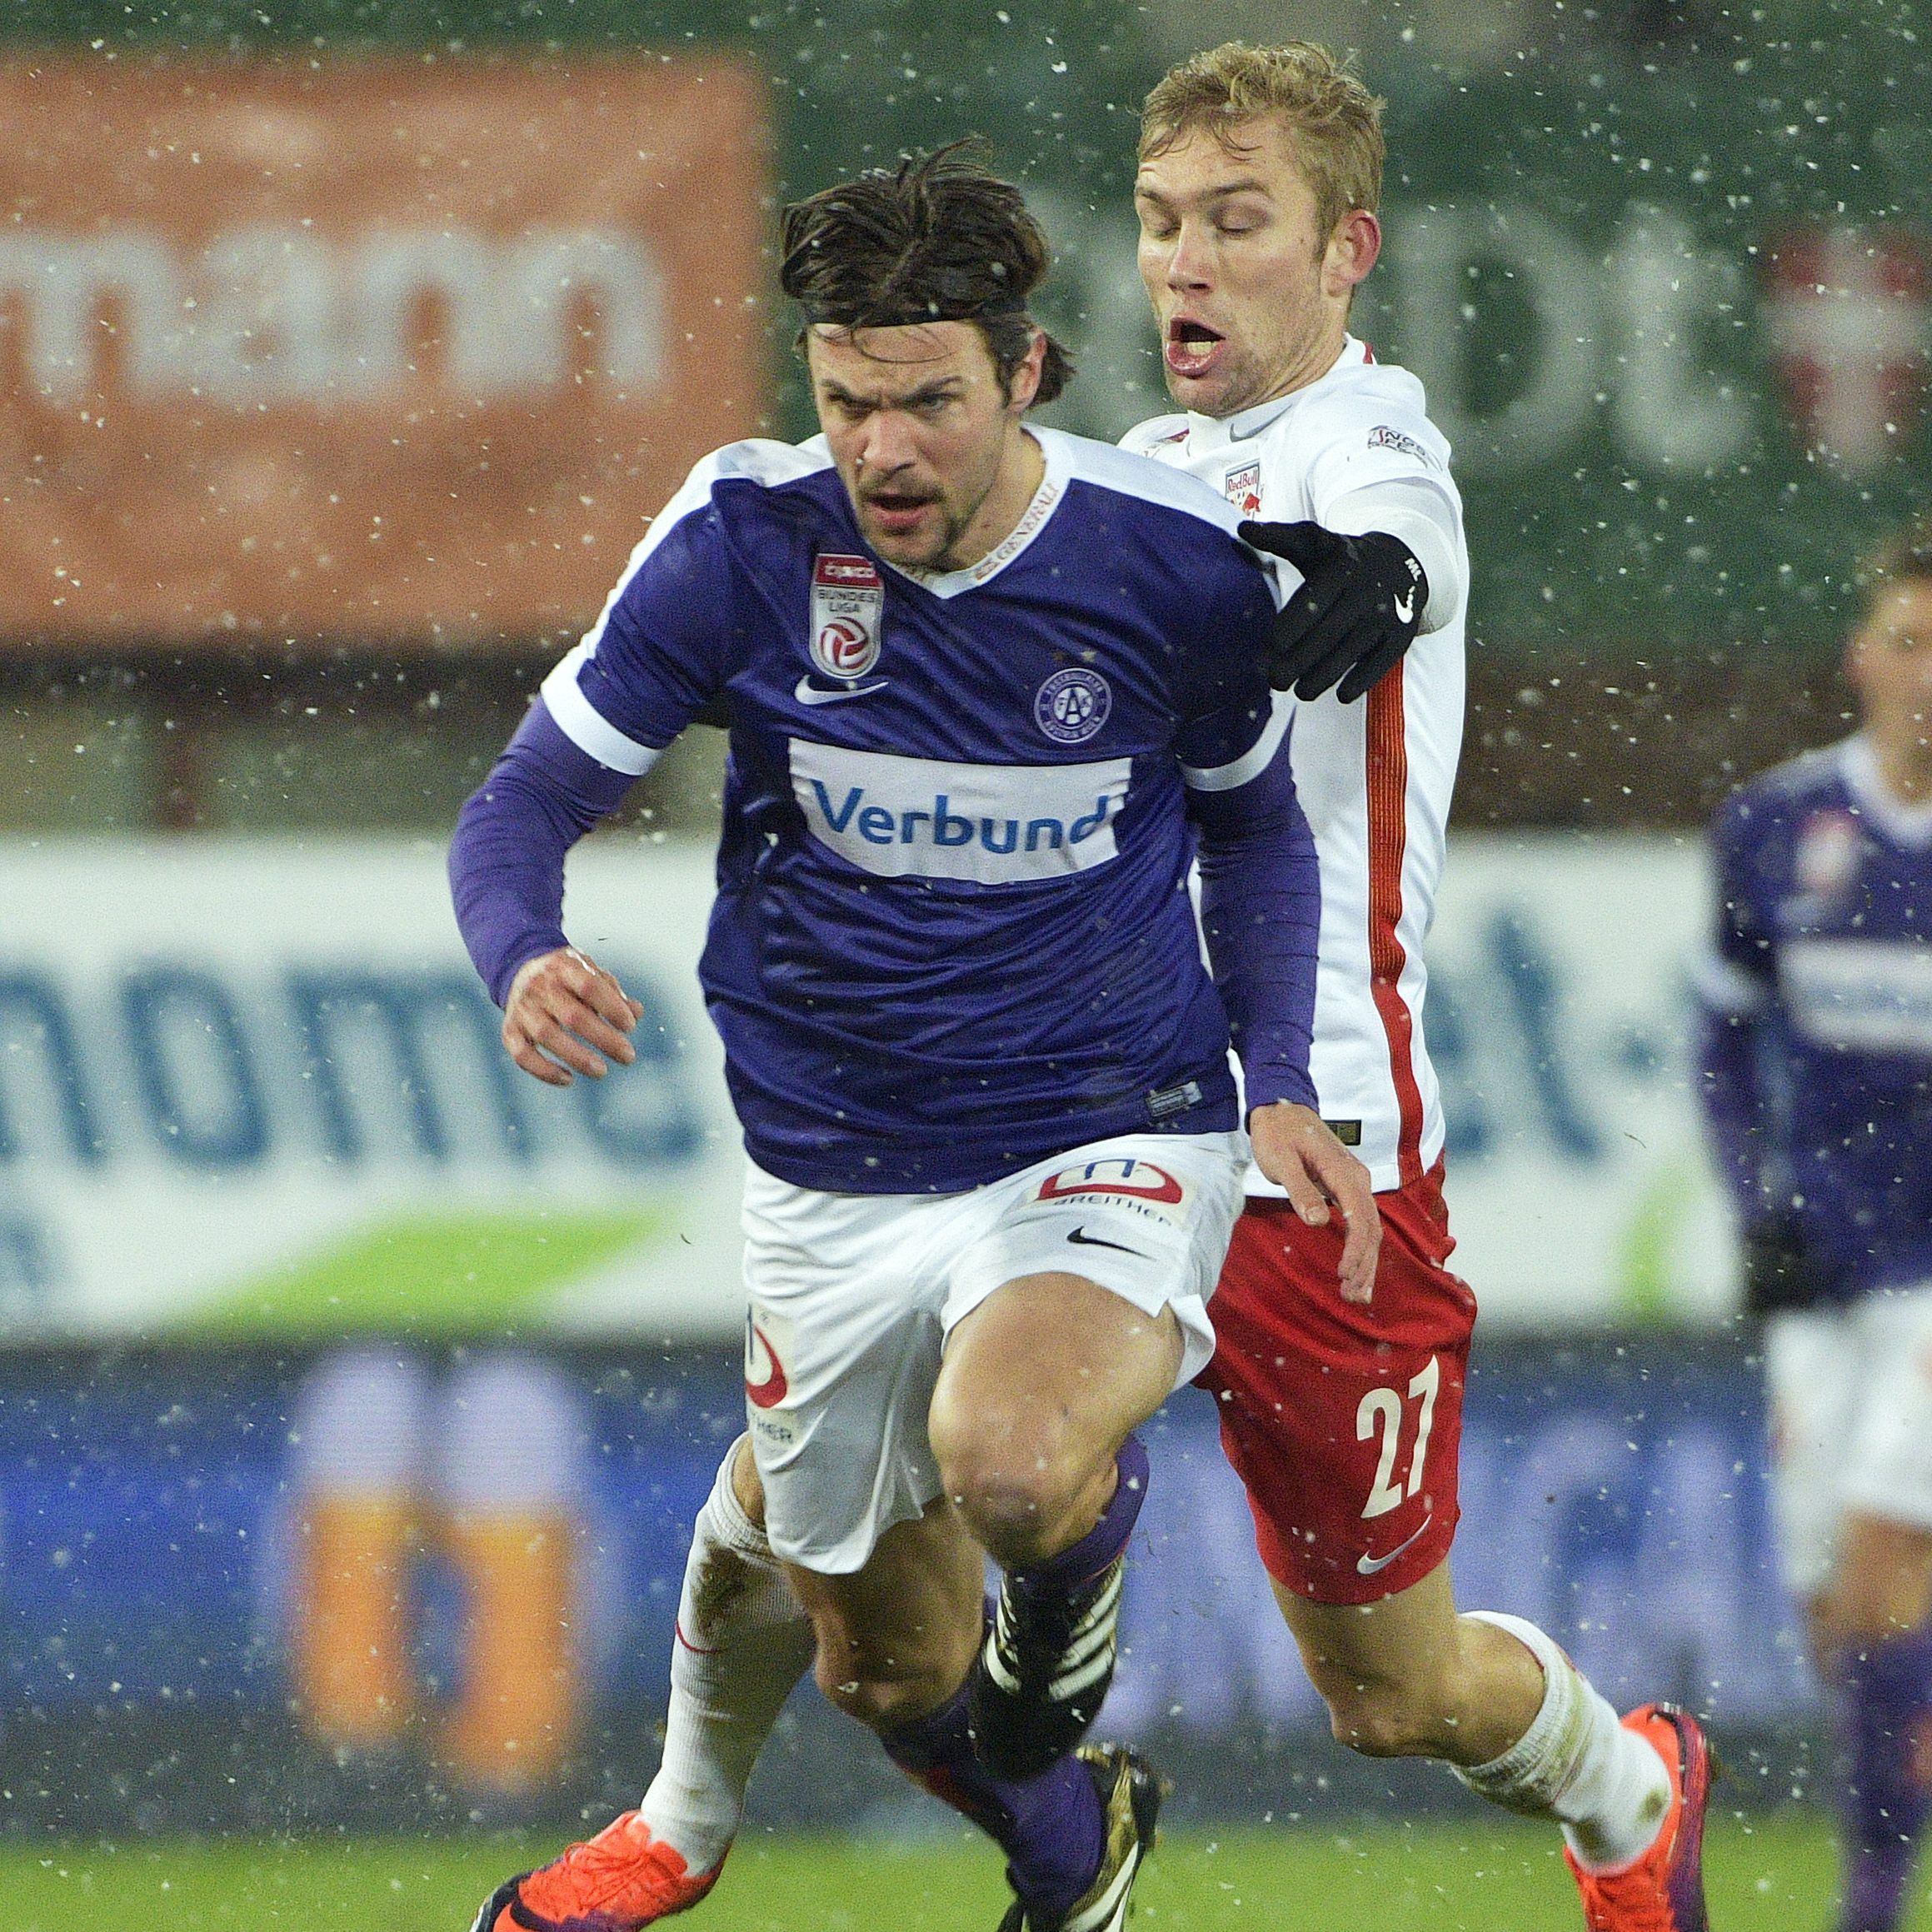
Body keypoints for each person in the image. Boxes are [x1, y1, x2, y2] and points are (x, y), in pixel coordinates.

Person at [597, 44, 1715, 1932]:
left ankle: (1626, 1785)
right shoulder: (1117, 493)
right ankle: (739, 1815)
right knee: (853, 1558)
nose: (1185, 264)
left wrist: (1371, 576)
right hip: (1074, 1115)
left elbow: (1399, 538)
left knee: (1390, 1692)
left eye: (1236, 222)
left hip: (1309, 1140)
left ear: (1342, 248)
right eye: (1161, 224)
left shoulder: (1368, 435)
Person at [449, 144, 1377, 1932]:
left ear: (1027, 371)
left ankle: (1059, 1593)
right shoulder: (738, 542)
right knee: (881, 1669)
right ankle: (1067, 1847)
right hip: (828, 1159)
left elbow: (1254, 830)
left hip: (1105, 1109)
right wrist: (519, 953)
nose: (884, 451)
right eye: (848, 399)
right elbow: (519, 805)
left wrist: (1280, 1085)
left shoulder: (1166, 564)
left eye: (930, 402)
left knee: (1014, 1462)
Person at [1695, 521, 1932, 1932]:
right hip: (1823, 1267)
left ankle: (1868, 1906)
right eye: (1907, 642)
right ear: (1859, 657)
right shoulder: (1778, 827)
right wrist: (1755, 1208)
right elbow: (1722, 1041)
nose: (1927, 675)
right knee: (1835, 1617)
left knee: (1880, 1562)